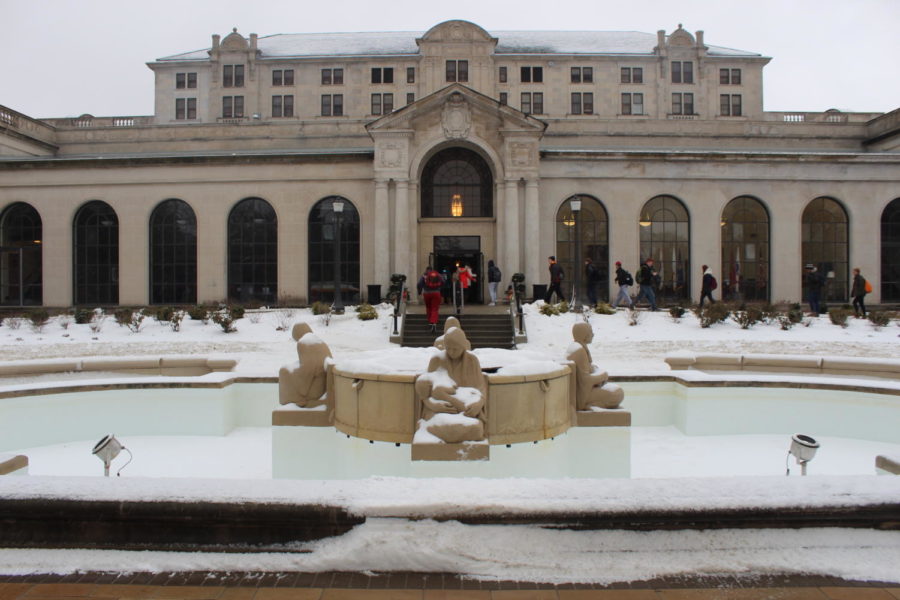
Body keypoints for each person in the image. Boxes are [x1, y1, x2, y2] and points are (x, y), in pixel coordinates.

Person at [416, 265, 444, 333]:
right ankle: (434, 322)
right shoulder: (438, 275)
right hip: (436, 293)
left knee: (428, 307)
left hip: (426, 294)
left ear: (426, 270)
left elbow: (419, 284)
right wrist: (439, 288)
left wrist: (419, 292)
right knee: (435, 308)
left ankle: (430, 321)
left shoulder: (424, 275)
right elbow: (443, 282)